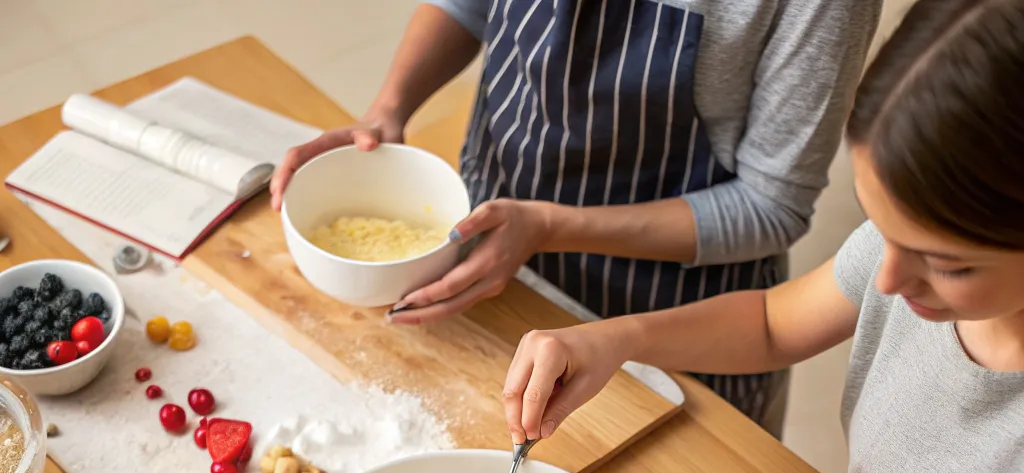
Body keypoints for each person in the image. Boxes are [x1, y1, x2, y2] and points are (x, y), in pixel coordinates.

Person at [501, 0, 1024, 473]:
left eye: (949, 264)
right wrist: (614, 340)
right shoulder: (907, 255)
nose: (888, 281)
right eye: (882, 230)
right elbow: (776, 324)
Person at [270, 0, 882, 435]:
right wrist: (387, 109)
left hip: (674, 312)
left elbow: (769, 206)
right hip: (489, 246)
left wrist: (549, 226)